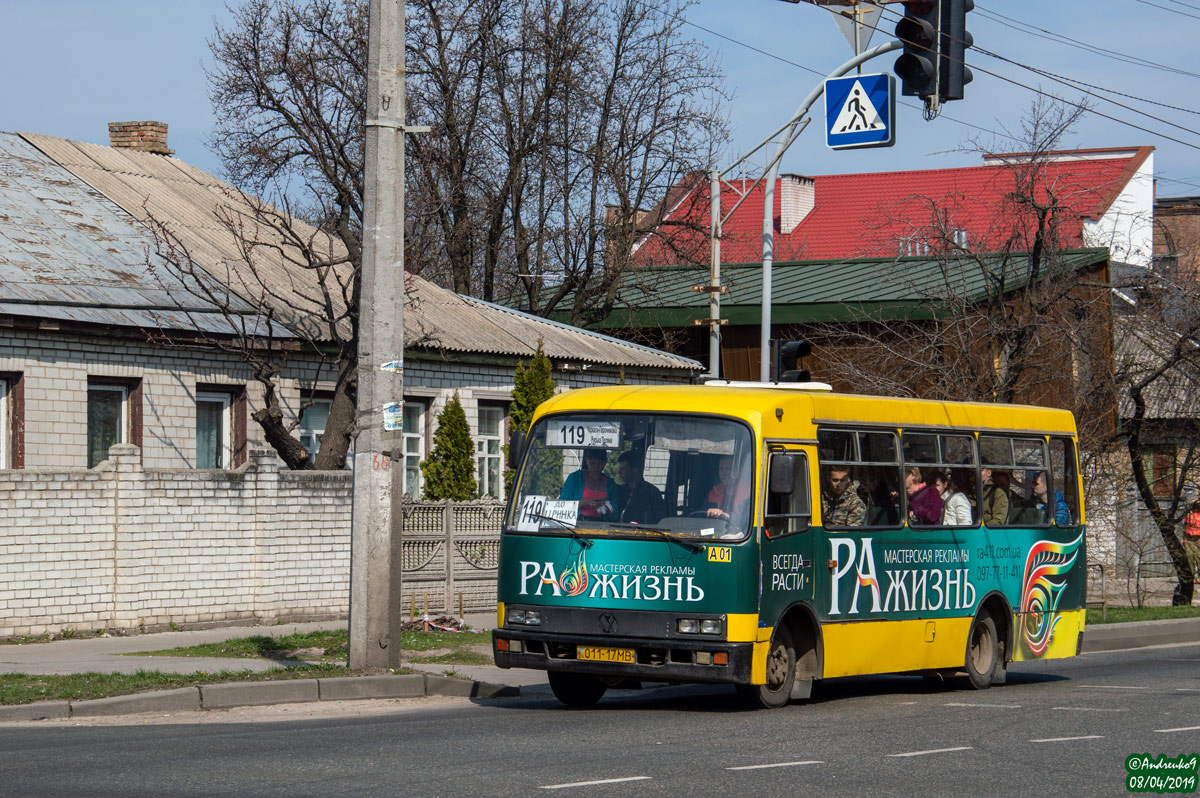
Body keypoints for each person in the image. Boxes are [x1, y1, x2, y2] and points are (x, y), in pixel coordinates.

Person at [559, 448, 617, 520]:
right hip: (577, 525)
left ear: (605, 462)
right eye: (592, 463)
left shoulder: (611, 484)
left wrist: (607, 509)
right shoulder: (575, 478)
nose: (596, 467)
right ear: (586, 460)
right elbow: (561, 506)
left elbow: (615, 515)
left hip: (602, 527)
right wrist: (582, 503)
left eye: (600, 464)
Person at [616, 450, 666, 525]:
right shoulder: (619, 491)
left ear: (636, 469)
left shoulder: (651, 492)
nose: (619, 472)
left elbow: (658, 520)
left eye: (623, 469)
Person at [706, 454, 752, 522]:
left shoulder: (749, 492)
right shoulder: (713, 492)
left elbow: (747, 520)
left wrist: (727, 516)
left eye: (728, 469)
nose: (724, 473)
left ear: (738, 471)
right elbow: (701, 515)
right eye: (721, 469)